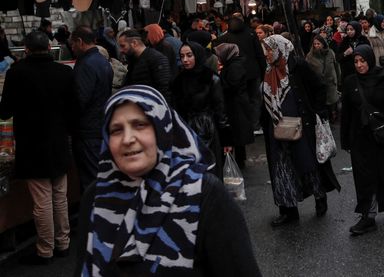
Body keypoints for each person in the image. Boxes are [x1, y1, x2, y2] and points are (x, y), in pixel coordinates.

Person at [74, 85, 262, 276]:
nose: (127, 139)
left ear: (162, 129)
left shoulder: (204, 194)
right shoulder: (96, 196)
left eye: (140, 124)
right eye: (116, 130)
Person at [0, 31, 75, 265]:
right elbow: (75, 107)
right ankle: (63, 243)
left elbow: (5, 111)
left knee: (42, 201)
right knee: (60, 197)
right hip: (59, 142)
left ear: (27, 49)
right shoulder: (64, 72)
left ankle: (45, 249)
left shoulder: (17, 73)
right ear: (49, 47)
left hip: (32, 145)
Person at [261, 35, 340, 226]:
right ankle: (288, 210)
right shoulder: (268, 71)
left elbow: (318, 87)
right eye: (265, 49)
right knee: (282, 169)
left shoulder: (297, 67)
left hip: (301, 128)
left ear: (280, 48)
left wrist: (318, 113)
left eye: (270, 49)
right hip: (278, 131)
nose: (267, 53)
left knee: (307, 165)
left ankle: (319, 197)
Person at [340, 45, 384, 235]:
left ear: (370, 60)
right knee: (365, 178)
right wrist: (345, 139)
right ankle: (368, 216)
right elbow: (345, 112)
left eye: (362, 61)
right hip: (361, 139)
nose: (359, 65)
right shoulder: (350, 82)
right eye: (356, 62)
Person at [171, 42, 228, 178]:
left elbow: (221, 110)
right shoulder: (178, 80)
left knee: (210, 172)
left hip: (208, 132)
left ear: (198, 55)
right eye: (182, 56)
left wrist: (227, 140)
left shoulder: (210, 78)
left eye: (189, 55)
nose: (185, 60)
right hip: (185, 133)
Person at [69, 25, 113, 191]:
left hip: (87, 130)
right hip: (99, 125)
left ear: (80, 42)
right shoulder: (102, 60)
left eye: (72, 44)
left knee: (91, 179)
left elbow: (80, 99)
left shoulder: (86, 64)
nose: (71, 48)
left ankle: (93, 214)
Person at [214, 15, 267, 132]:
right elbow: (259, 54)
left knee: (239, 100)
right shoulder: (251, 34)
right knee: (255, 99)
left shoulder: (225, 37)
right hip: (253, 72)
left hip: (235, 73)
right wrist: (263, 71)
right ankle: (255, 125)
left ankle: (242, 125)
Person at [215, 43, 254, 170]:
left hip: (236, 104)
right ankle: (239, 160)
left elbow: (232, 86)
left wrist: (219, 81)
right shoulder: (233, 64)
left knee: (237, 132)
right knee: (238, 133)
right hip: (237, 103)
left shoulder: (234, 66)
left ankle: (238, 161)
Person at [119, 29, 172, 104]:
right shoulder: (134, 60)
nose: (121, 50)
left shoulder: (157, 58)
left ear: (134, 43)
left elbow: (164, 90)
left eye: (123, 46)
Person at [306, 34, 341, 112]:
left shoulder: (330, 53)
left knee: (333, 102)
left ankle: (334, 113)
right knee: (322, 104)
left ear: (323, 44)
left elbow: (336, 66)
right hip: (319, 84)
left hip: (331, 82)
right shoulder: (310, 56)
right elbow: (308, 72)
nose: (316, 46)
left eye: (318, 44)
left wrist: (338, 79)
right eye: (314, 44)